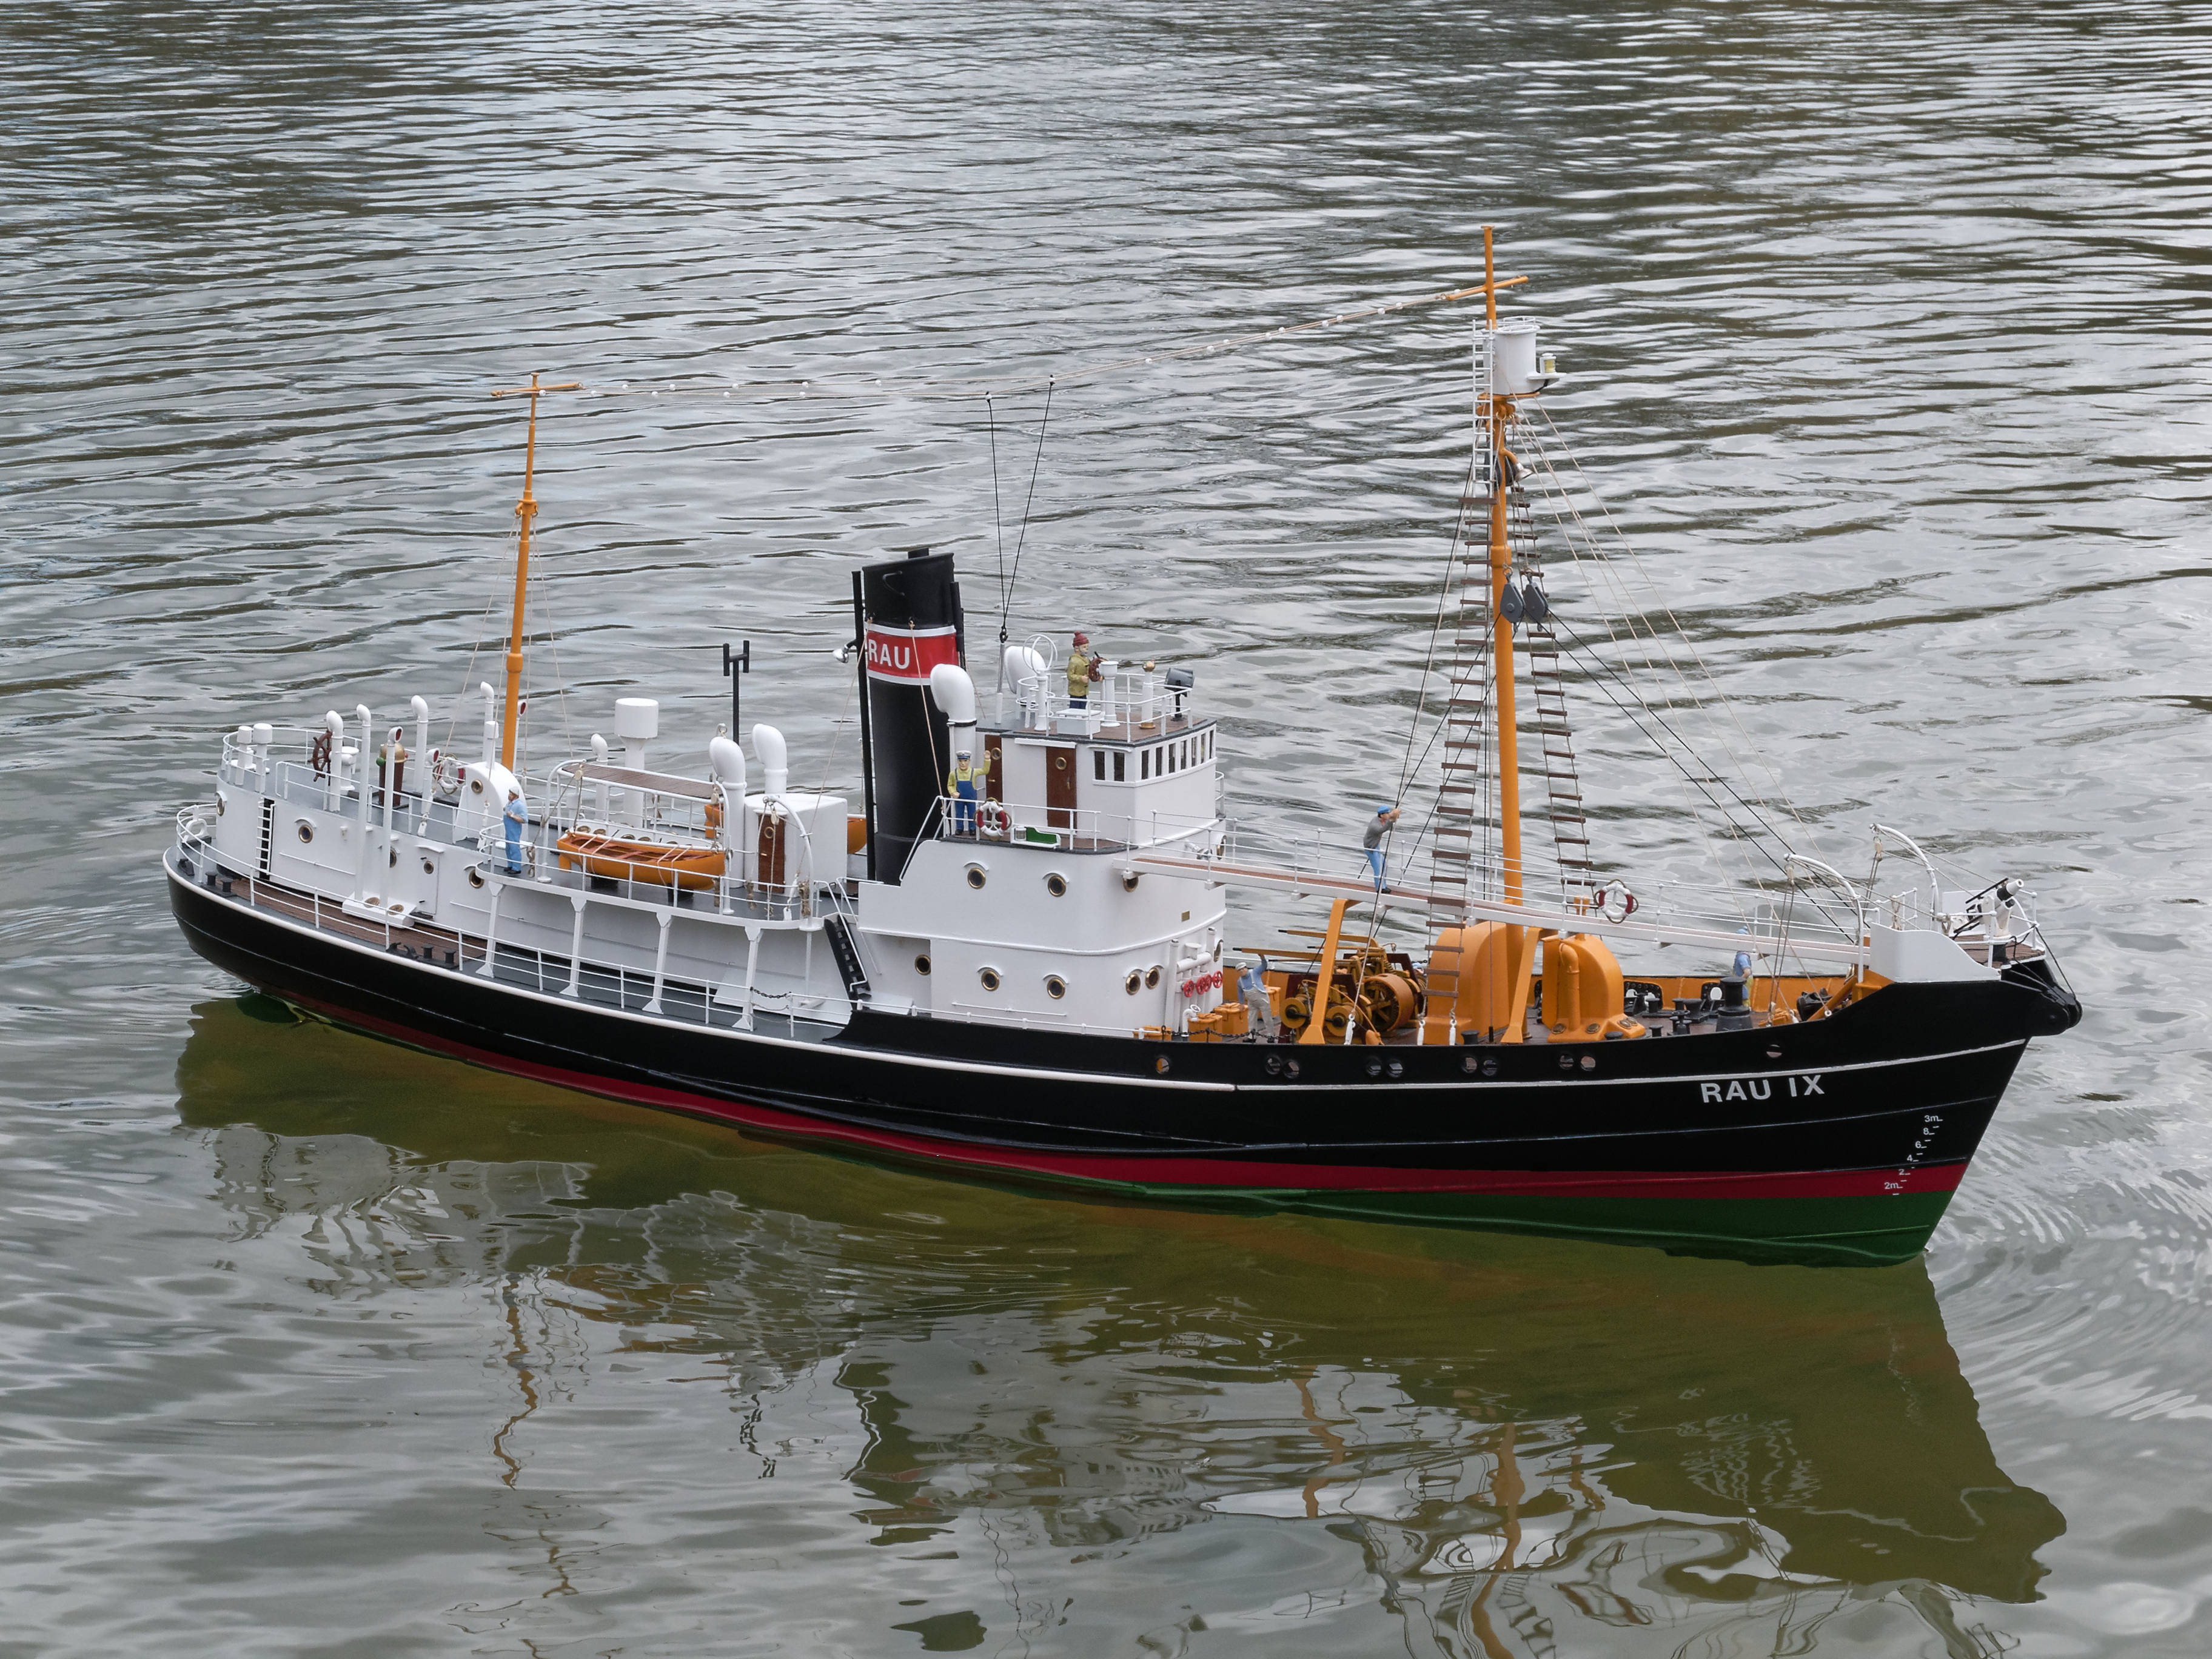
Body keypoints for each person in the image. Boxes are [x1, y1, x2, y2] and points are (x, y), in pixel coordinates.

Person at [1361, 805, 1400, 893]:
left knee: (1384, 865)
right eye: (1387, 814)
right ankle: (1379, 888)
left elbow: (1389, 822)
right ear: (1382, 815)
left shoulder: (1382, 820)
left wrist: (1394, 816)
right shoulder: (1374, 825)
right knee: (1378, 868)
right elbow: (1382, 830)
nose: (1388, 815)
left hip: (1376, 846)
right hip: (1371, 848)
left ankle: (1384, 886)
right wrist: (1391, 820)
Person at [947, 748, 981, 837]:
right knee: (959, 813)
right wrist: (953, 793)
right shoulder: (953, 773)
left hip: (971, 798)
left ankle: (972, 829)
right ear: (958, 761)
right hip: (959, 798)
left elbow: (985, 770)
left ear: (969, 761)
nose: (963, 763)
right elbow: (950, 785)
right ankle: (959, 828)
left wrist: (987, 760)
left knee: (972, 813)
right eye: (960, 761)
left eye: (965, 761)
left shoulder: (973, 772)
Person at [1067, 631, 1098, 707]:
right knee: (1075, 708)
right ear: (1077, 648)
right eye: (1084, 647)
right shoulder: (1073, 661)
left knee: (1083, 707)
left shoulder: (1086, 659)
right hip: (1075, 691)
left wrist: (1097, 675)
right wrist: (1081, 678)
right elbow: (1070, 675)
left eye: (1087, 647)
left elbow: (1090, 670)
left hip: (1084, 690)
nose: (1086, 649)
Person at [502, 786, 528, 875]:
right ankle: (510, 864)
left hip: (514, 829)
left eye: (511, 794)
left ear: (516, 796)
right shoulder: (510, 803)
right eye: (509, 794)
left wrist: (512, 815)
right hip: (508, 829)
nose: (509, 796)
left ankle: (517, 868)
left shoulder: (520, 805)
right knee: (508, 848)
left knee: (514, 848)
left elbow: (524, 820)